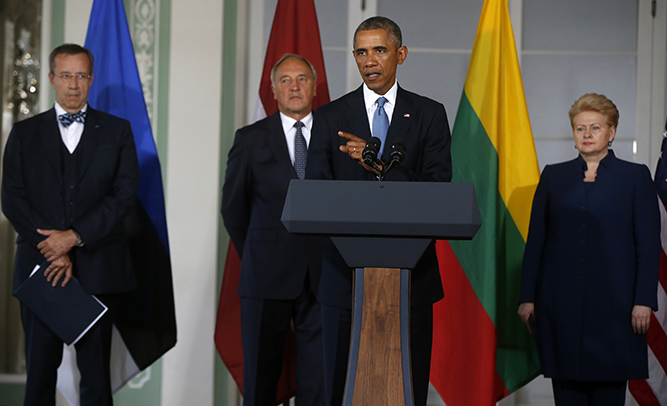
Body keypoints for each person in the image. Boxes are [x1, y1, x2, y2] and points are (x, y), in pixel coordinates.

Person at [305, 16, 452, 406]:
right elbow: (314, 196)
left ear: (400, 55)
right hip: (343, 277)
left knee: (407, 390)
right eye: (361, 52)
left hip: (411, 277)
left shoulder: (428, 114)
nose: (369, 60)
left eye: (380, 50)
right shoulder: (330, 117)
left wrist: (380, 165)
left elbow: (439, 191)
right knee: (340, 390)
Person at [1, 44, 139, 405]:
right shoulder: (23, 133)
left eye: (81, 75)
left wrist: (75, 238)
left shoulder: (118, 132)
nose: (73, 84)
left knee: (96, 381)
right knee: (40, 380)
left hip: (99, 270)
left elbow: (124, 196)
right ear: (51, 79)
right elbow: (12, 199)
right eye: (65, 75)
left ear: (91, 80)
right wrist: (52, 247)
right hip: (39, 271)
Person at [518, 93, 661, 406]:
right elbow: (537, 240)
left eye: (595, 128)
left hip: (617, 309)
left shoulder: (635, 177)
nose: (586, 135)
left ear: (611, 132)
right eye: (580, 128)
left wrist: (643, 301)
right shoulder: (553, 176)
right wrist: (527, 297)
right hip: (560, 305)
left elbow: (648, 246)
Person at [221, 54, 324, 406]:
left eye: (302, 79)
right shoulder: (250, 139)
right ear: (273, 89)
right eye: (285, 80)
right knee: (261, 380)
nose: (294, 87)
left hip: (323, 276)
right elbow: (233, 208)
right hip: (264, 274)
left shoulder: (334, 135)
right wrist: (256, 251)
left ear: (313, 86)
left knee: (319, 382)